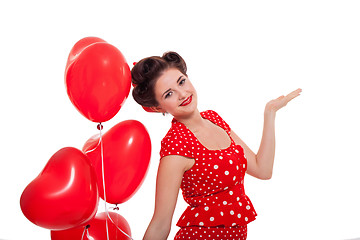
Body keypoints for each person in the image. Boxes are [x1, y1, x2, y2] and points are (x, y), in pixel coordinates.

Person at [131, 51, 301, 240]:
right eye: (169, 94)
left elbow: (263, 169)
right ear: (158, 107)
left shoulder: (214, 119)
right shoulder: (176, 145)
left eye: (181, 82)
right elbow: (160, 224)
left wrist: (270, 113)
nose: (182, 94)